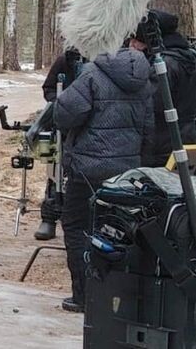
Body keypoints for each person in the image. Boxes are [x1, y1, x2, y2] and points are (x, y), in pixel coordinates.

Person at [54, 46, 153, 313]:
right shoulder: (144, 80)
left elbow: (64, 113)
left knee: (76, 226)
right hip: (126, 172)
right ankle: (116, 297)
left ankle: (84, 296)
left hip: (87, 168)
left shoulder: (92, 75)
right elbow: (148, 130)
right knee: (118, 230)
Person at [128, 10, 196, 168]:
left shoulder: (163, 65)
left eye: (135, 40)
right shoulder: (187, 57)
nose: (131, 44)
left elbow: (151, 104)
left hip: (162, 142)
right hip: (186, 135)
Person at [34, 47, 85, 241]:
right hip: (63, 125)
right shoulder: (66, 60)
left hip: (90, 128)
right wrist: (59, 105)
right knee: (54, 171)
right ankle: (49, 217)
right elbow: (48, 88)